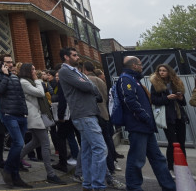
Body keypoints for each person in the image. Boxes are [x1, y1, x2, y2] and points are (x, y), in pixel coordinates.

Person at [118, 56, 176, 191]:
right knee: (136, 160)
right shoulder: (125, 79)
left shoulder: (134, 80)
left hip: (146, 127)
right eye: (140, 64)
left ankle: (169, 187)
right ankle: (133, 187)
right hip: (138, 126)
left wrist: (148, 120)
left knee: (158, 159)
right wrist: (144, 116)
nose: (142, 66)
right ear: (134, 66)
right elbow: (130, 101)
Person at [57, 47, 107, 191]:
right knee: (100, 149)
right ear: (66, 57)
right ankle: (98, 185)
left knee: (87, 151)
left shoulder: (76, 71)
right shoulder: (65, 71)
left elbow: (91, 87)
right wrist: (90, 86)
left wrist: (90, 86)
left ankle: (88, 184)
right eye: (74, 55)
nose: (78, 57)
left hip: (88, 114)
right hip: (84, 115)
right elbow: (86, 86)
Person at [18, 63, 64, 184]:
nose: (35, 71)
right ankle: (51, 173)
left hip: (38, 115)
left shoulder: (28, 81)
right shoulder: (24, 82)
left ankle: (15, 160)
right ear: (27, 71)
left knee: (35, 142)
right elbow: (40, 93)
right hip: (34, 117)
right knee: (45, 143)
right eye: (32, 69)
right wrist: (37, 80)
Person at [0, 53, 31, 188]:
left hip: (21, 114)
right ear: (1, 63)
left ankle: (15, 176)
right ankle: (8, 169)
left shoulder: (14, 76)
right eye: (7, 62)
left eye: (11, 62)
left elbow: (20, 95)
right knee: (19, 143)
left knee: (18, 145)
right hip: (9, 114)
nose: (11, 64)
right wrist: (6, 76)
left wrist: (25, 111)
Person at [149, 64, 188, 172]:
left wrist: (180, 98)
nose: (161, 72)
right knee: (172, 143)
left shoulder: (176, 82)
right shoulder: (155, 84)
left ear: (169, 72)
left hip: (179, 116)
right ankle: (170, 167)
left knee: (181, 143)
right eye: (160, 70)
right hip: (167, 117)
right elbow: (154, 101)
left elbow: (183, 103)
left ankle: (183, 167)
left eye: (164, 71)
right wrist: (167, 98)